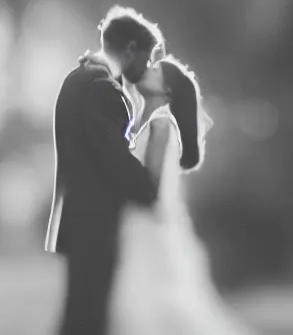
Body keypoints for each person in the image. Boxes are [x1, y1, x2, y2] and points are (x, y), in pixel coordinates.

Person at [108, 54, 253, 335]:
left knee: (149, 297)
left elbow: (152, 182)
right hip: (148, 220)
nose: (145, 74)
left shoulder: (160, 126)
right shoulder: (149, 124)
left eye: (154, 73)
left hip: (147, 223)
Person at [45, 6, 163, 335]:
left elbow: (104, 144)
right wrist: (149, 189)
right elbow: (114, 156)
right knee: (86, 319)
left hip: (80, 219)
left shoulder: (80, 78)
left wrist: (146, 112)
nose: (150, 66)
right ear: (129, 50)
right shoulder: (101, 87)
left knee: (83, 314)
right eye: (148, 56)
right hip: (93, 222)